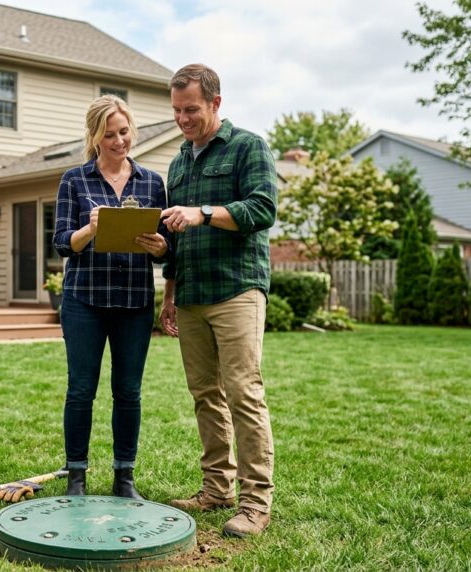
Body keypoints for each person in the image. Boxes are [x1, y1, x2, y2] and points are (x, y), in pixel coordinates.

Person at [158, 64, 278, 537]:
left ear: (215, 103)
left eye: (191, 109)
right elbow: (173, 234)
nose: (183, 119)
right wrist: (168, 294)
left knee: (243, 393)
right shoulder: (178, 162)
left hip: (237, 289)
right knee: (205, 395)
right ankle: (216, 488)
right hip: (190, 292)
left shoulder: (249, 146)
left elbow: (263, 208)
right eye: (176, 111)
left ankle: (255, 503)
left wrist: (204, 213)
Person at [53, 95, 170, 499]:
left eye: (124, 132)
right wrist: (91, 229)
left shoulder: (153, 183)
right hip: (84, 299)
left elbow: (165, 246)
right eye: (110, 135)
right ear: (95, 137)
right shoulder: (75, 180)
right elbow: (62, 243)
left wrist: (158, 246)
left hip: (135, 302)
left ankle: (124, 478)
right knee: (81, 389)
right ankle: (76, 477)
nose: (120, 141)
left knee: (129, 391)